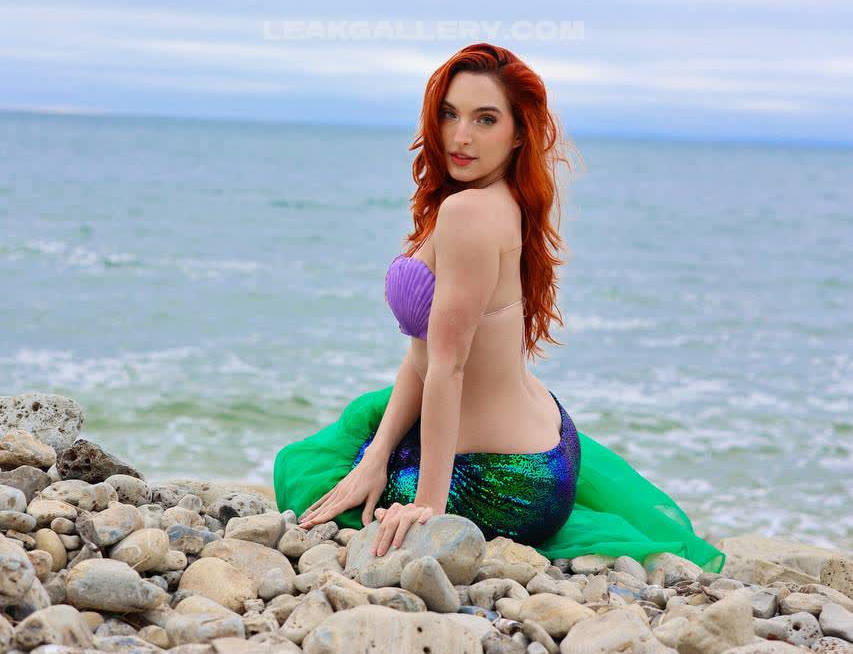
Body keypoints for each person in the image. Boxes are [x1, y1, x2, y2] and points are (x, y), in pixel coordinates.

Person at [272, 43, 725, 572]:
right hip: (549, 438)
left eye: (485, 119)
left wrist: (426, 508)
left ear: (518, 133)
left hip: (504, 481)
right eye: (450, 114)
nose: (460, 136)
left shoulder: (467, 213)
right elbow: (424, 353)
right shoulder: (507, 195)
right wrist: (377, 456)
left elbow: (447, 367)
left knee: (308, 475)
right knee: (371, 430)